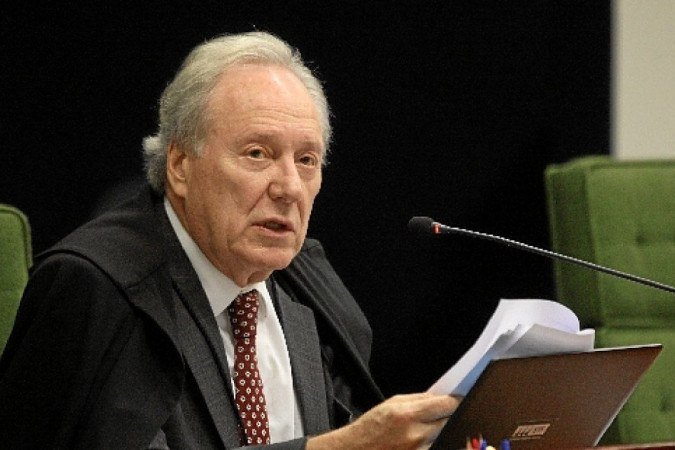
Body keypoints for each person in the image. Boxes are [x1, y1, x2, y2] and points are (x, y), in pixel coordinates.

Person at [0, 32, 458, 449]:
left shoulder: (305, 281)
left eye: (306, 160)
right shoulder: (99, 289)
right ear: (180, 165)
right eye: (257, 154)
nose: (289, 187)